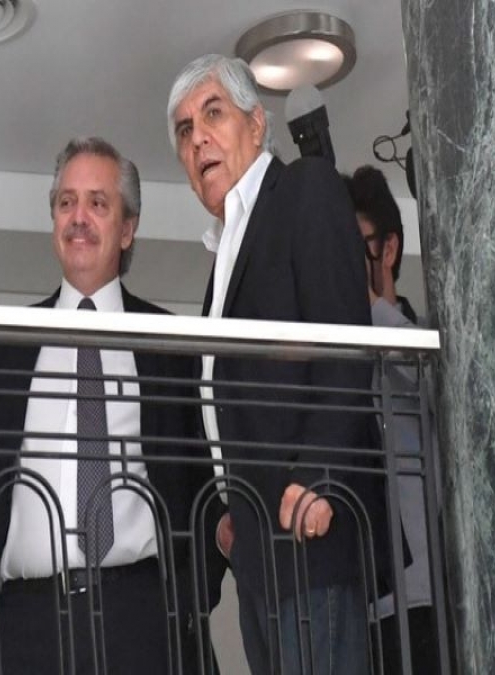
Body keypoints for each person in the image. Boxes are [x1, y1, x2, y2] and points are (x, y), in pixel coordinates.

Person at [0, 137, 226, 674]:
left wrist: (189, 600)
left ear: (127, 229)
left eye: (98, 203)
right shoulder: (3, 341)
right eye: (66, 202)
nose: (78, 217)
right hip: (23, 622)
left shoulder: (171, 343)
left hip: (143, 617)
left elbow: (206, 479)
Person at [167, 54, 389, 675]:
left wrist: (319, 476)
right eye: (184, 130)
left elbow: (344, 340)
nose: (198, 138)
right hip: (257, 551)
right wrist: (226, 515)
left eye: (213, 114)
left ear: (257, 124)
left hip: (309, 529)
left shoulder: (304, 188)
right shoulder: (225, 251)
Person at [345, 165, 438, 674]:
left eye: (354, 247)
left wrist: (371, 310)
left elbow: (441, 385)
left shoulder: (423, 337)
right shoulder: (333, 352)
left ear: (389, 249)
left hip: (424, 598)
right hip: (356, 606)